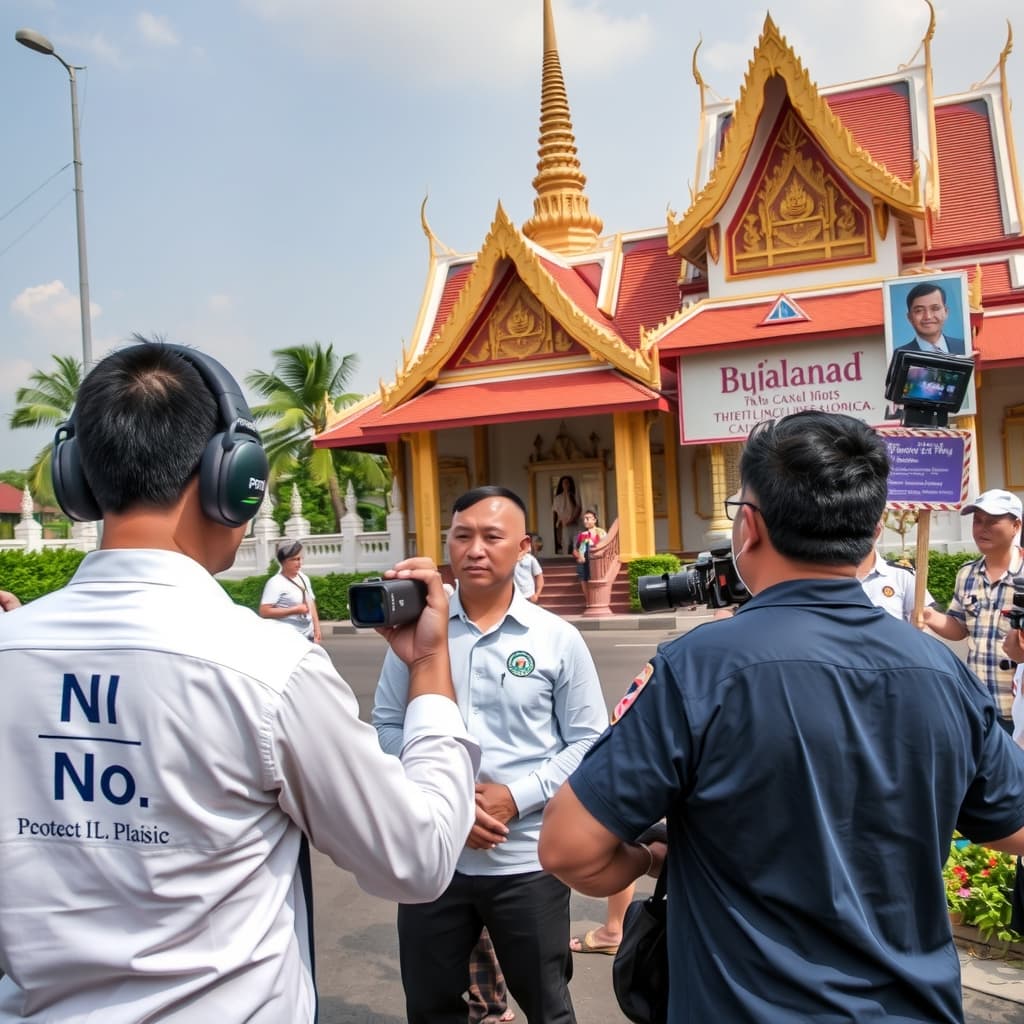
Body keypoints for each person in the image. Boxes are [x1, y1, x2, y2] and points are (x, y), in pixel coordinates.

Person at [0, 340, 480, 1023]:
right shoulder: (266, 669)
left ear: (77, 476)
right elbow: (417, 857)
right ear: (233, 477)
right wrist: (429, 669)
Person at [539, 410, 1024, 1023]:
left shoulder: (699, 669)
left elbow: (569, 849)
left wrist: (651, 860)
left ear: (748, 525)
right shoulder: (941, 672)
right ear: (874, 530)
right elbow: (1012, 825)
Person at [372, 485, 607, 1024]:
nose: (475, 549)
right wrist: (450, 798)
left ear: (523, 547)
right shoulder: (416, 633)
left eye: (492, 537)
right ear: (447, 544)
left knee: (548, 1007)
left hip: (526, 861)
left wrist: (515, 798)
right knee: (430, 1007)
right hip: (435, 861)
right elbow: (386, 725)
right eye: (462, 536)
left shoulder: (556, 638)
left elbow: (589, 741)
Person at [923, 488, 1023, 727]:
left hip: (1019, 708)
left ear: (1016, 526)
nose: (982, 528)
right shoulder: (967, 574)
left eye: (992, 521)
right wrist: (927, 615)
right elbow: (959, 628)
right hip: (979, 705)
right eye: (978, 521)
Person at [857, 529, 935, 623]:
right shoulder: (839, 578)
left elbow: (925, 619)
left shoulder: (901, 575)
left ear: (878, 529)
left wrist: (923, 620)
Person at [260, 538, 322, 641]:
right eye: (295, 559)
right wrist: (294, 610)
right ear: (284, 561)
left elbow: (310, 602)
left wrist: (317, 628)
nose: (300, 563)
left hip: (308, 635)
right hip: (288, 638)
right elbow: (264, 611)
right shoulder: (275, 583)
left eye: (300, 558)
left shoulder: (303, 577)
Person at [895, 280, 966, 355]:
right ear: (910, 317)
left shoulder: (964, 347)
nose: (928, 316)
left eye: (935, 308)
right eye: (919, 310)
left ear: (946, 312)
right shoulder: (900, 354)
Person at [573, 510, 606, 596]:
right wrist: (579, 556)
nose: (585, 521)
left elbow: (605, 547)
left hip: (597, 562)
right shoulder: (583, 534)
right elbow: (576, 550)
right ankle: (588, 599)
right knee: (584, 579)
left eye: (587, 519)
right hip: (584, 562)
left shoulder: (601, 532)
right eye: (584, 519)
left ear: (594, 520)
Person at [552, 475, 581, 555]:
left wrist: (571, 520)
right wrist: (557, 528)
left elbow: (578, 509)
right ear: (561, 484)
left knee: (576, 546)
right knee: (565, 546)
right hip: (563, 525)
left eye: (568, 483)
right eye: (564, 483)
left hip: (574, 525)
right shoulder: (557, 498)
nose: (566, 485)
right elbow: (555, 513)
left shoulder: (574, 496)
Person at [513, 532, 544, 603]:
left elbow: (539, 577)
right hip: (514, 597)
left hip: (529, 596)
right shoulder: (509, 559)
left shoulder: (531, 559)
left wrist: (537, 594)